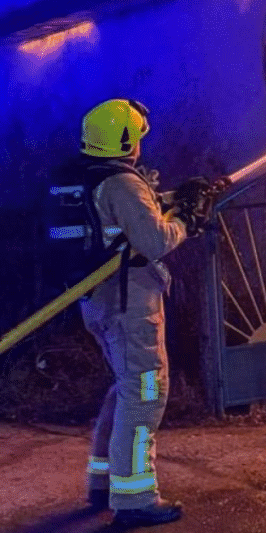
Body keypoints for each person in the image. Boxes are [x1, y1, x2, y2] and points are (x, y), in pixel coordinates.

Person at [76, 98, 210, 528]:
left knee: (126, 388)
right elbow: (154, 240)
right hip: (130, 306)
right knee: (145, 394)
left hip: (100, 302)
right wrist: (187, 222)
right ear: (127, 141)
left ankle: (104, 482)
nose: (140, 145)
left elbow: (133, 218)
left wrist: (178, 199)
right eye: (137, 137)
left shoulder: (95, 178)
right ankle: (134, 500)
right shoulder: (122, 183)